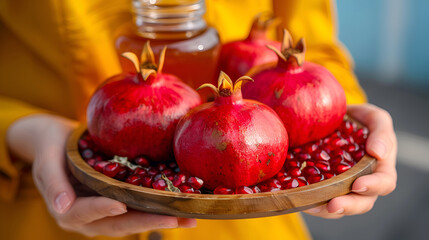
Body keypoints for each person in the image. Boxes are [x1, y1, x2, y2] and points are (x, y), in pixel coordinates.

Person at [0, 0, 397, 239]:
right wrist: (22, 130)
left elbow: (313, 46)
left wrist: (343, 113)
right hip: (41, 205)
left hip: (245, 217)